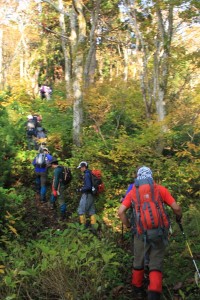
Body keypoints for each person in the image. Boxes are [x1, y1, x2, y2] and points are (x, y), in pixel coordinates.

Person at [118, 166, 182, 300]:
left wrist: (129, 225)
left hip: (140, 233)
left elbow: (120, 212)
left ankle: (137, 290)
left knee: (138, 260)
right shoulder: (160, 189)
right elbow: (176, 208)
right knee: (155, 263)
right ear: (151, 176)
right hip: (159, 232)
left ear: (138, 177)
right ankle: (154, 293)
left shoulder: (133, 192)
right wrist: (178, 217)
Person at [77, 161, 97, 228]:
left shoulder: (87, 174)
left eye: (81, 168)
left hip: (87, 195)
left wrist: (80, 189)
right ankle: (94, 228)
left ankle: (83, 228)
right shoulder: (90, 173)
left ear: (84, 167)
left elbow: (88, 186)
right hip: (91, 195)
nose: (80, 169)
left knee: (81, 210)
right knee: (92, 211)